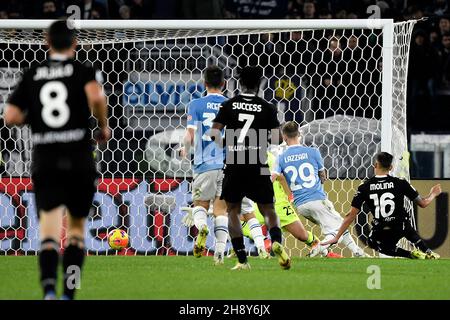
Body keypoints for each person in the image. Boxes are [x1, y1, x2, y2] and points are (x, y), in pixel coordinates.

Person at [3, 20, 110, 299]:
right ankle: (68, 294)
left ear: (46, 42)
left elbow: (11, 117)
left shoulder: (33, 73)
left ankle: (49, 289)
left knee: (49, 234)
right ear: (75, 44)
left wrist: (35, 118)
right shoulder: (83, 71)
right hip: (78, 158)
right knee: (75, 233)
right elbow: (97, 97)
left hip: (46, 159)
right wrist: (103, 125)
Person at [210, 66, 291, 270]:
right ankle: (276, 241)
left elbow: (213, 133)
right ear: (258, 84)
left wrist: (229, 144)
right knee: (268, 209)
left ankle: (242, 260)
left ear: (240, 82)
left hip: (235, 165)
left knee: (233, 212)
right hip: (259, 165)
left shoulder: (229, 105)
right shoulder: (267, 107)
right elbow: (276, 138)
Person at [272, 121, 367, 257]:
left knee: (339, 225)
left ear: (284, 137)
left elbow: (274, 177)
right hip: (317, 199)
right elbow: (323, 177)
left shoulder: (281, 158)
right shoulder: (313, 152)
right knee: (338, 229)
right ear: (299, 134)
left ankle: (358, 252)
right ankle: (320, 248)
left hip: (300, 205)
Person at [322, 152, 442, 260]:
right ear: (391, 167)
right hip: (400, 226)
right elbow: (423, 203)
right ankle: (428, 251)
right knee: (405, 224)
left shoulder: (365, 187)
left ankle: (409, 254)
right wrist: (433, 194)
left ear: (375, 165)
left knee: (372, 241)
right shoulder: (401, 183)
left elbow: (351, 215)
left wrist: (337, 237)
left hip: (381, 229)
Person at [179, 65, 231, 265]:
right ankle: (219, 254)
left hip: (204, 163)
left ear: (204, 83)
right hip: (226, 165)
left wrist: (184, 150)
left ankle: (201, 228)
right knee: (221, 210)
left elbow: (189, 134)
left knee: (200, 205)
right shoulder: (230, 104)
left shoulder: (196, 104)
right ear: (224, 83)